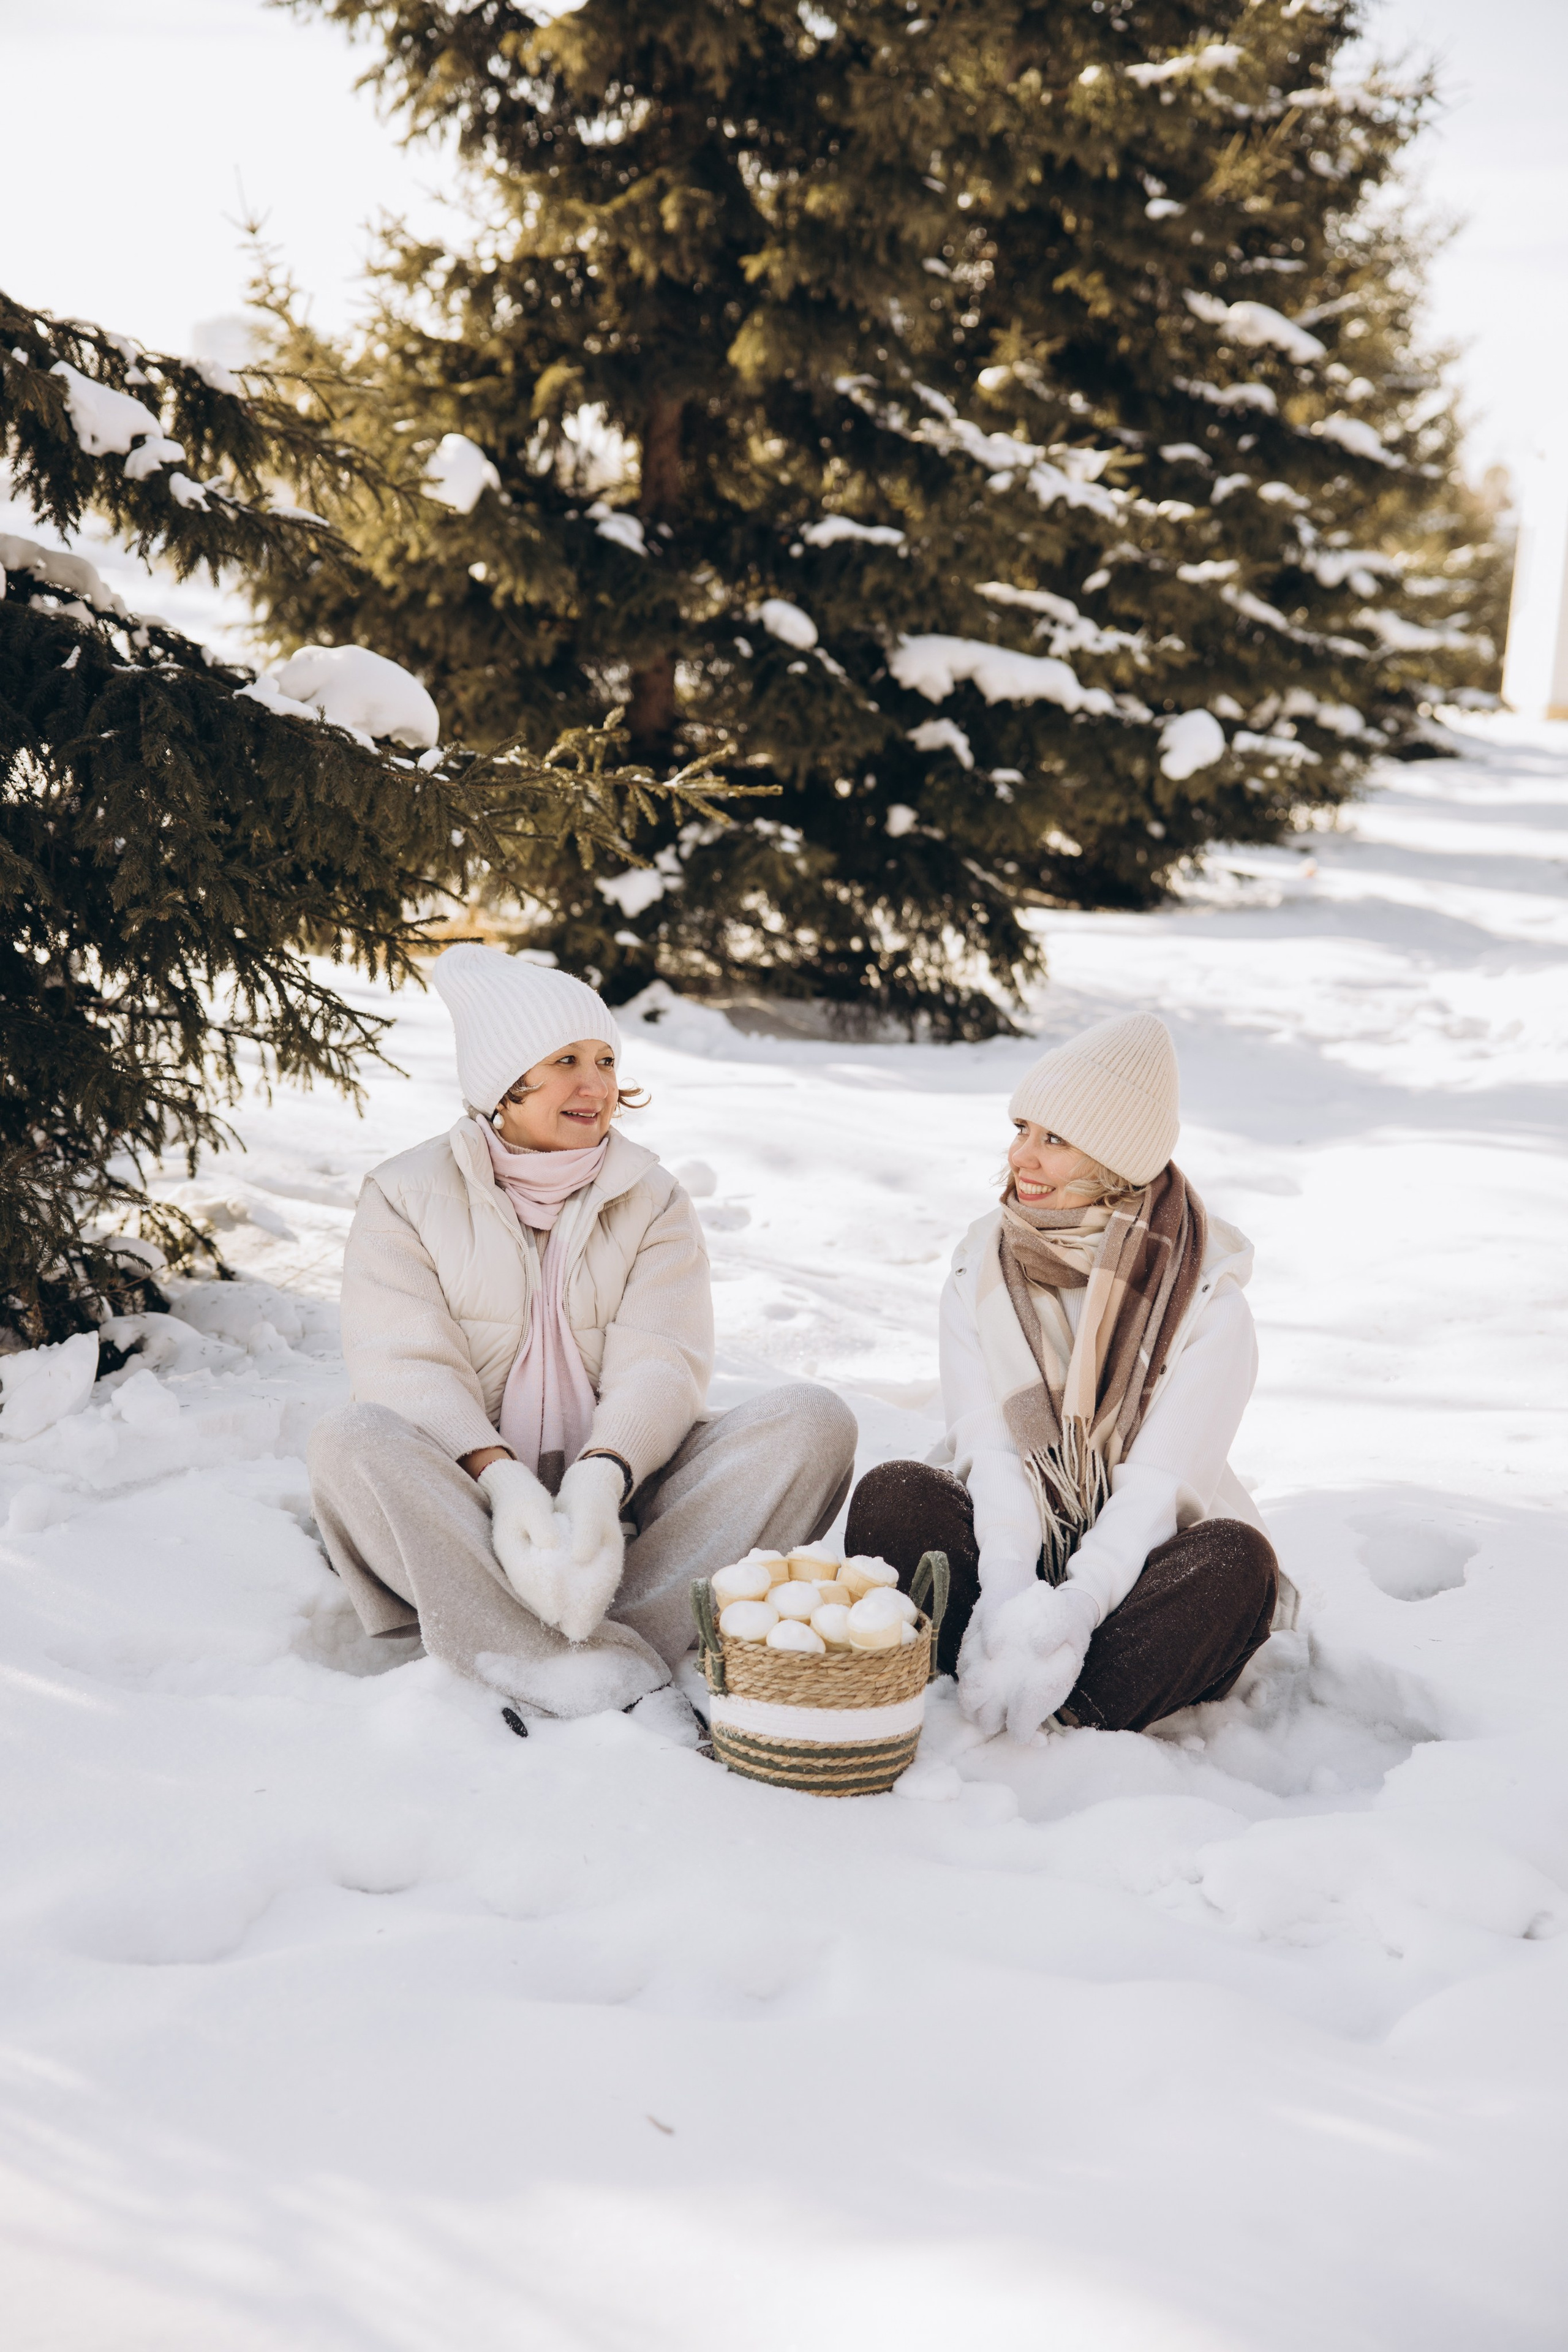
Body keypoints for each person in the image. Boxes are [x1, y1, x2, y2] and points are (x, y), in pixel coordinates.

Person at [307, 944, 857, 1726]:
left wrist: (604, 1474)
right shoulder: (404, 1195)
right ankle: (592, 1658)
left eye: (604, 1059)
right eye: (564, 1060)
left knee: (812, 1421)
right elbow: (403, 1364)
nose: (594, 1084)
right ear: (503, 1084)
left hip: (631, 1506)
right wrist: (498, 1477)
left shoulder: (652, 1199)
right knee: (350, 1439)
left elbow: (660, 1362)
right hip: (465, 1501)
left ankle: (554, 1637)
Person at [844, 1012, 1295, 1740]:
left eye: (1055, 1140)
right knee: (895, 1497)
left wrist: (1073, 1610)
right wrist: (1007, 1593)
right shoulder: (980, 1267)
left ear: (1115, 1161)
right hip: (1009, 1535)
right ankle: (989, 1663)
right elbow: (988, 1451)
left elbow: (1156, 1491)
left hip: (1140, 1564)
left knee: (1237, 1564)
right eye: (1023, 1128)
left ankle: (1075, 1708)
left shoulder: (1207, 1300)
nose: (1023, 1156)